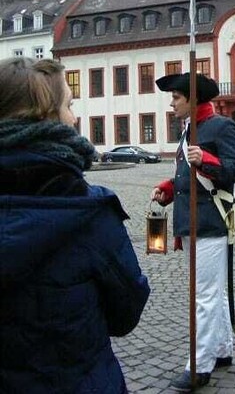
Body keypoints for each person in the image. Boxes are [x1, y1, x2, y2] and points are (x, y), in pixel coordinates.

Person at [0, 57, 150, 394]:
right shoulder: (90, 213)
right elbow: (125, 312)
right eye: (69, 104)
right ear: (46, 117)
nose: (75, 116)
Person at [151, 72, 235, 392]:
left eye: (177, 97)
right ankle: (222, 349)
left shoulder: (221, 126)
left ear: (193, 100)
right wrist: (168, 188)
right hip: (191, 220)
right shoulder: (190, 130)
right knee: (212, 292)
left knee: (203, 296)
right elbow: (185, 173)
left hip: (210, 221)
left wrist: (206, 158)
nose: (172, 102)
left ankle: (199, 365)